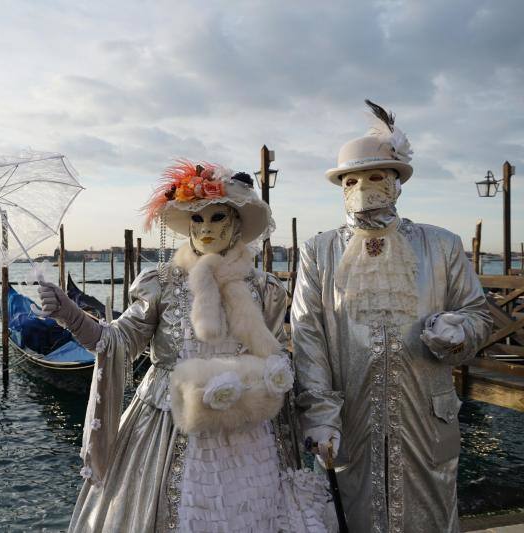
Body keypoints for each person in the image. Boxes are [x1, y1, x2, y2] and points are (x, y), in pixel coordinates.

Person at [39, 160, 332, 532]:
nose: (207, 228)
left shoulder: (265, 290)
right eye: (198, 219)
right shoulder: (160, 283)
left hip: (250, 430)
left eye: (218, 218)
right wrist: (72, 315)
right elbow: (118, 341)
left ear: (237, 224)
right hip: (170, 421)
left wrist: (317, 419)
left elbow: (274, 358)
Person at [291, 100, 493, 532]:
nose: (362, 186)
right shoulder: (319, 251)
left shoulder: (441, 245)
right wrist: (321, 414)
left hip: (426, 415)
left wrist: (456, 332)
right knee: (355, 513)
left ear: (397, 181)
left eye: (375, 175)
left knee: (431, 516)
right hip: (352, 419)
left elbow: (478, 314)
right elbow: (308, 335)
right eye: (350, 179)